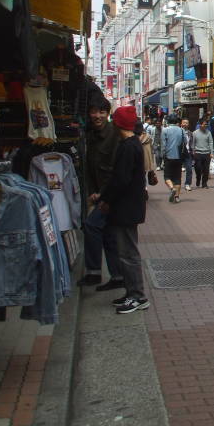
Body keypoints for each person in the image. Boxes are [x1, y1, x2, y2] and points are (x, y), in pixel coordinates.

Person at [98, 106, 149, 314]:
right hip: (129, 206)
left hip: (126, 207)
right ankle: (132, 293)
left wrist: (106, 198)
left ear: (118, 123)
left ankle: (137, 296)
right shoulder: (132, 144)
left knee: (128, 252)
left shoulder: (128, 146)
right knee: (125, 251)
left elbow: (120, 179)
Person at [80, 90, 124, 291]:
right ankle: (117, 276)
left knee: (91, 225)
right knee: (108, 235)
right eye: (94, 112)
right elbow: (88, 168)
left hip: (111, 196)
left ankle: (93, 272)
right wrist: (91, 191)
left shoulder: (115, 135)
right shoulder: (90, 135)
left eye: (101, 112)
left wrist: (103, 194)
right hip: (98, 193)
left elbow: (117, 170)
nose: (97, 116)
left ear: (108, 114)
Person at [161, 115, 185, 203]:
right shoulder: (181, 130)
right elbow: (185, 142)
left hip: (168, 156)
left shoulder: (165, 130)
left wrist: (162, 155)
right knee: (178, 177)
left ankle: (172, 188)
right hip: (179, 156)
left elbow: (163, 145)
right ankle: (177, 197)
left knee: (167, 176)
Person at [192, 119, 214, 189]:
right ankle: (198, 178)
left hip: (206, 153)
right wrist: (193, 151)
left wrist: (212, 153)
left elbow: (211, 142)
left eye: (206, 124)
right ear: (200, 125)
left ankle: (204, 183)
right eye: (204, 124)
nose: (205, 125)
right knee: (198, 168)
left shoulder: (209, 133)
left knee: (206, 169)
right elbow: (193, 143)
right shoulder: (195, 133)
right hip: (198, 153)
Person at [180, 118, 194, 191]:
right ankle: (177, 183)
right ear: (181, 123)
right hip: (179, 153)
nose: (185, 124)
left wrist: (193, 151)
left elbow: (191, 143)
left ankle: (187, 184)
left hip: (188, 153)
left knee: (189, 169)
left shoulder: (190, 133)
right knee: (177, 169)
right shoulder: (178, 132)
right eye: (184, 123)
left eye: (187, 123)